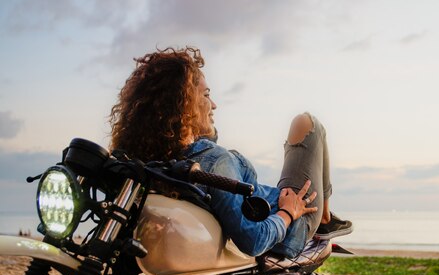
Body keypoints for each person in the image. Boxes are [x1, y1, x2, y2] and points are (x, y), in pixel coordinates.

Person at [109, 47, 352, 258]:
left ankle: (324, 216)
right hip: (295, 217)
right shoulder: (214, 162)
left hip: (269, 207)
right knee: (308, 123)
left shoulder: (157, 162)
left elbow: (208, 138)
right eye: (206, 95)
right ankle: (324, 216)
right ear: (184, 106)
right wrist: (289, 212)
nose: (214, 104)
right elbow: (254, 241)